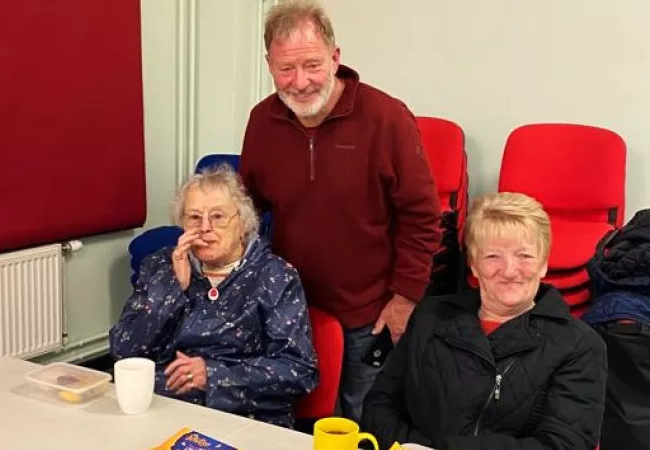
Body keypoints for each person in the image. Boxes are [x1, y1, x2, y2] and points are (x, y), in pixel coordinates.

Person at [239, 0, 441, 422]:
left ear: (335, 57)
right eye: (285, 69)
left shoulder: (387, 118)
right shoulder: (261, 121)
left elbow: (421, 217)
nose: (300, 82)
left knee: (358, 419)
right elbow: (249, 211)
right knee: (292, 419)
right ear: (268, 65)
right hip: (288, 308)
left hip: (367, 313)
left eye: (312, 65)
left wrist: (404, 298)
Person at [360, 192, 607, 450]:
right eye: (492, 257)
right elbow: (379, 405)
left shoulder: (581, 346)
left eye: (524, 256)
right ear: (474, 266)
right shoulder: (429, 316)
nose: (510, 271)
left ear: (543, 264)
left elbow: (564, 444)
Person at [109, 165, 318, 428]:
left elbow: (298, 371)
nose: (205, 228)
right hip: (162, 409)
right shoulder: (161, 266)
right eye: (194, 217)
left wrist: (212, 375)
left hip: (245, 419)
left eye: (218, 216)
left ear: (242, 223)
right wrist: (173, 287)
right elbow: (124, 351)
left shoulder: (275, 276)